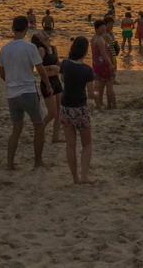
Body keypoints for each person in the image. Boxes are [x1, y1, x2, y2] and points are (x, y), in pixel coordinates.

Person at [0, 15, 53, 169]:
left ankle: (10, 163)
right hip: (28, 91)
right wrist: (48, 85)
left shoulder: (4, 48)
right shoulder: (30, 47)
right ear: (27, 29)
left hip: (12, 94)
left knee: (16, 129)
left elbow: (2, 73)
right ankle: (38, 161)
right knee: (39, 126)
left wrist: (11, 83)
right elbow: (41, 70)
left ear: (12, 28)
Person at [60, 36, 95, 185]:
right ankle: (84, 176)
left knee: (70, 144)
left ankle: (74, 177)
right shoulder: (87, 70)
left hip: (66, 107)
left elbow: (63, 80)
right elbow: (91, 93)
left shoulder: (65, 64)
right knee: (86, 144)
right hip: (80, 108)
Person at [32, 33, 63, 144]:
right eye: (42, 34)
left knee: (60, 111)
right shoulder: (41, 50)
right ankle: (39, 130)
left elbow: (58, 63)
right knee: (52, 113)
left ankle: (55, 136)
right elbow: (38, 68)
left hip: (56, 80)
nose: (44, 33)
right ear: (39, 39)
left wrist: (62, 67)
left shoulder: (53, 48)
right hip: (46, 82)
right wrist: (50, 67)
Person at [90, 19, 116, 109]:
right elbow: (104, 53)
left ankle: (99, 104)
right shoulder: (100, 39)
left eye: (104, 27)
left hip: (96, 64)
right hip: (103, 64)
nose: (104, 29)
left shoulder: (93, 38)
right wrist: (110, 64)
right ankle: (113, 105)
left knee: (98, 85)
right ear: (96, 29)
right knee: (109, 84)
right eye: (102, 28)